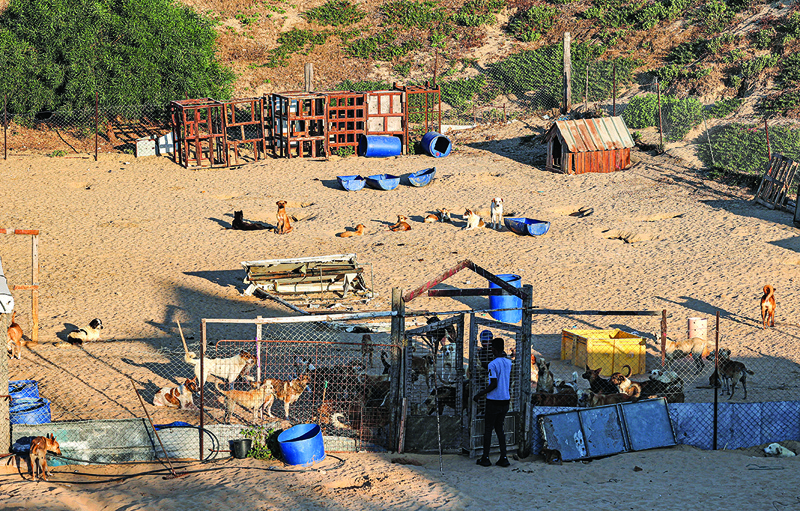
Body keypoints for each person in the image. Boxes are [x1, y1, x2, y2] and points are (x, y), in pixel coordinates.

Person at [472, 336, 512, 467]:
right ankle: (504, 457)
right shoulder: (508, 363)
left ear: (493, 349)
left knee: (488, 429)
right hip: (505, 400)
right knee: (500, 429)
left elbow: (493, 384)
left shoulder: (492, 364)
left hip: (493, 400)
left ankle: (485, 457)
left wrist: (480, 394)